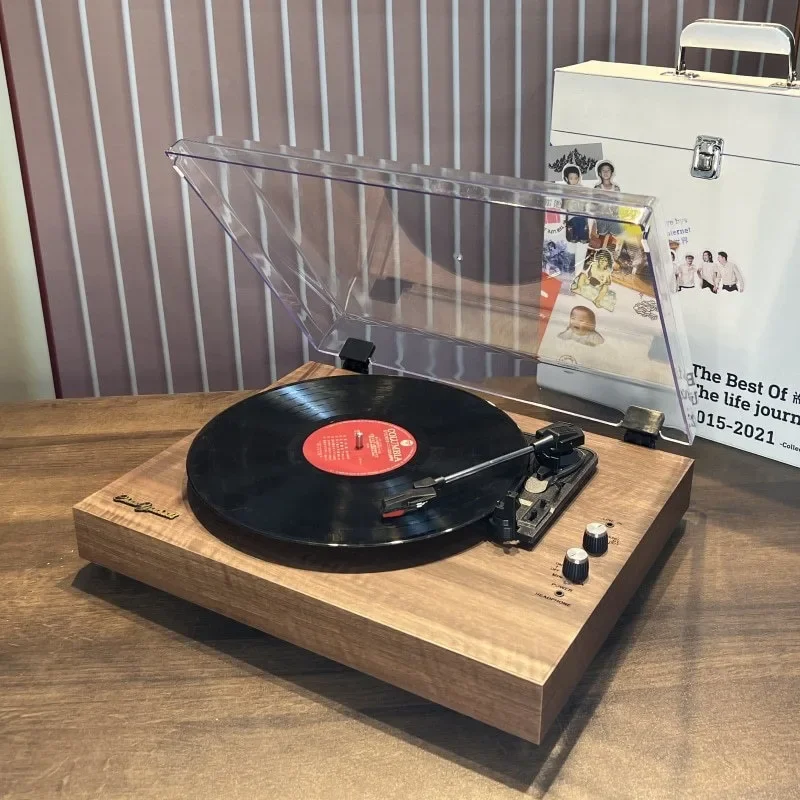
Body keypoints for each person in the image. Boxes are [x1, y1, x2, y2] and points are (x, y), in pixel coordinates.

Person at [563, 164, 589, 244]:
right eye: (571, 178)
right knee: (573, 228)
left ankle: (583, 237)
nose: (574, 180)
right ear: (567, 179)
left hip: (581, 214)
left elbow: (586, 204)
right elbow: (564, 206)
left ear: (579, 178)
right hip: (571, 215)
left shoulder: (583, 189)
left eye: (576, 178)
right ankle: (573, 237)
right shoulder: (566, 190)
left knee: (582, 227)